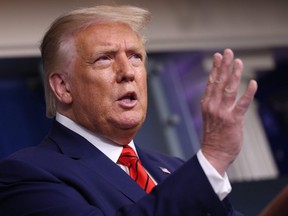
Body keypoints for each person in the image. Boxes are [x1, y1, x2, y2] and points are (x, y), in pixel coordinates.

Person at [0, 5, 257, 216]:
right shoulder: (26, 173)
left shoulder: (176, 169)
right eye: (105, 58)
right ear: (63, 87)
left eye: (135, 56)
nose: (127, 72)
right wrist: (213, 157)